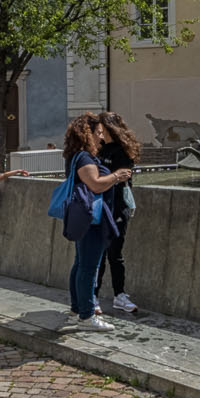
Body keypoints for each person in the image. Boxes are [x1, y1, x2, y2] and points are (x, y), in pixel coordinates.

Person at [56, 115, 131, 331]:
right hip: (92, 218)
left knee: (81, 264)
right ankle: (87, 316)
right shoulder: (84, 158)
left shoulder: (77, 156)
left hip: (87, 217)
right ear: (88, 134)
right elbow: (96, 185)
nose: (101, 138)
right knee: (88, 267)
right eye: (98, 133)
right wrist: (117, 176)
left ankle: (76, 310)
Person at [95, 112, 143, 314]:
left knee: (115, 252)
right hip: (101, 204)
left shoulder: (122, 150)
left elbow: (122, 177)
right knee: (98, 253)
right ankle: (93, 296)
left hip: (117, 205)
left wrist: (108, 178)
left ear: (109, 128)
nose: (99, 133)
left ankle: (119, 295)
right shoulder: (99, 150)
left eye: (101, 129)